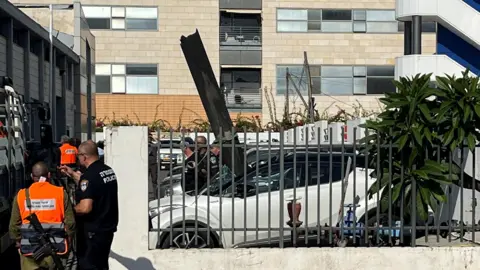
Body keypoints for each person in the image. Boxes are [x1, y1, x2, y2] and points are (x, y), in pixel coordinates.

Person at [59, 140, 118, 270]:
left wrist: (68, 211)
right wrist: (73, 174)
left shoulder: (90, 176)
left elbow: (85, 208)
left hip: (92, 232)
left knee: (89, 265)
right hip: (107, 229)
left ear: (84, 157)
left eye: (78, 155)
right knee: (102, 264)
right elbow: (94, 186)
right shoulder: (108, 171)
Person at [9, 161, 75, 270]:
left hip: (30, 251)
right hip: (56, 249)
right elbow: (71, 223)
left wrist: (18, 242)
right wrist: (69, 241)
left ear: (31, 176)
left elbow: (13, 226)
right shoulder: (60, 193)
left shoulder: (21, 195)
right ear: (49, 175)